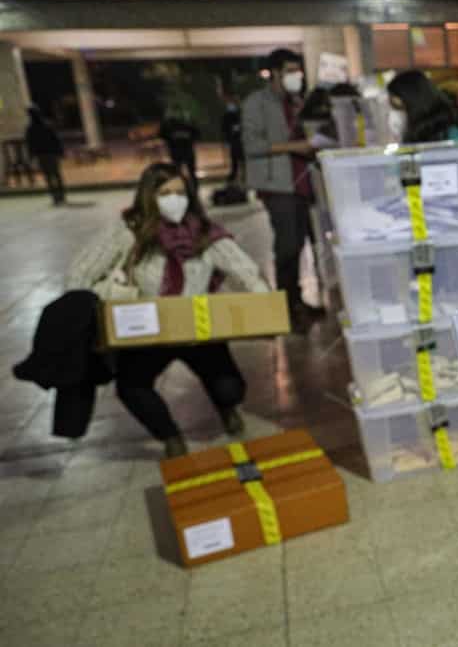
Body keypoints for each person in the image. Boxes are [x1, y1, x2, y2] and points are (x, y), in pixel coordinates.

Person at [65, 163, 269, 458]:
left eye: (180, 193)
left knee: (231, 389)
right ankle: (170, 435)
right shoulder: (129, 230)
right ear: (149, 196)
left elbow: (244, 269)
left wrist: (264, 305)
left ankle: (227, 409)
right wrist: (93, 307)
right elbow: (80, 272)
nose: (175, 200)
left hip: (197, 326)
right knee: (131, 388)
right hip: (148, 330)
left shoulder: (203, 232)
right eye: (165, 193)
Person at [242, 48, 326, 328]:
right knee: (288, 246)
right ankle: (286, 309)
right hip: (277, 185)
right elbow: (252, 145)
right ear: (275, 73)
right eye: (290, 71)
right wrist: (295, 146)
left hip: (303, 183)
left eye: (298, 70)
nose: (296, 76)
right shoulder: (257, 103)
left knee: (300, 243)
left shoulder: (299, 102)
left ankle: (298, 302)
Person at [386, 70, 458, 230]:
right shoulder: (412, 142)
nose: (393, 115)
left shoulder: (455, 142)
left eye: (397, 107)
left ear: (414, 104)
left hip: (456, 234)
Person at [25, 106, 66, 206]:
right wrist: (60, 152)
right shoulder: (47, 125)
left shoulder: (31, 129)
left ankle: (55, 196)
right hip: (51, 153)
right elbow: (56, 140)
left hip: (42, 154)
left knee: (48, 176)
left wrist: (31, 155)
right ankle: (61, 195)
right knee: (56, 174)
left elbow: (30, 144)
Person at [158, 107, 200, 189]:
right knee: (189, 173)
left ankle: (189, 189)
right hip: (186, 152)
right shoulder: (187, 125)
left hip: (178, 153)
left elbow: (161, 135)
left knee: (181, 173)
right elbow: (197, 135)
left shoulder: (170, 126)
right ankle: (191, 190)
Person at [221, 96, 244, 184]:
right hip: (234, 142)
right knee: (235, 161)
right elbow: (225, 129)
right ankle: (233, 180)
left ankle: (238, 178)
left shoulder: (239, 114)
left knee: (240, 161)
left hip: (240, 141)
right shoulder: (227, 116)